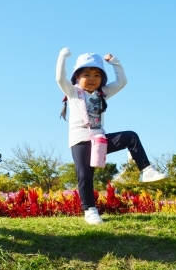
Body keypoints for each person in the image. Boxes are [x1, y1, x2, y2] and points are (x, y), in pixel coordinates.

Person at [56, 48, 168, 225]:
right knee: (85, 175)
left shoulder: (103, 93)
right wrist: (63, 56)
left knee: (131, 136)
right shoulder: (72, 92)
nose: (92, 79)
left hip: (100, 139)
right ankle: (90, 211)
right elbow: (59, 78)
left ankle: (146, 170)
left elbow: (122, 81)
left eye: (97, 75)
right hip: (80, 141)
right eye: (87, 74)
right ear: (77, 76)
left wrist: (115, 62)